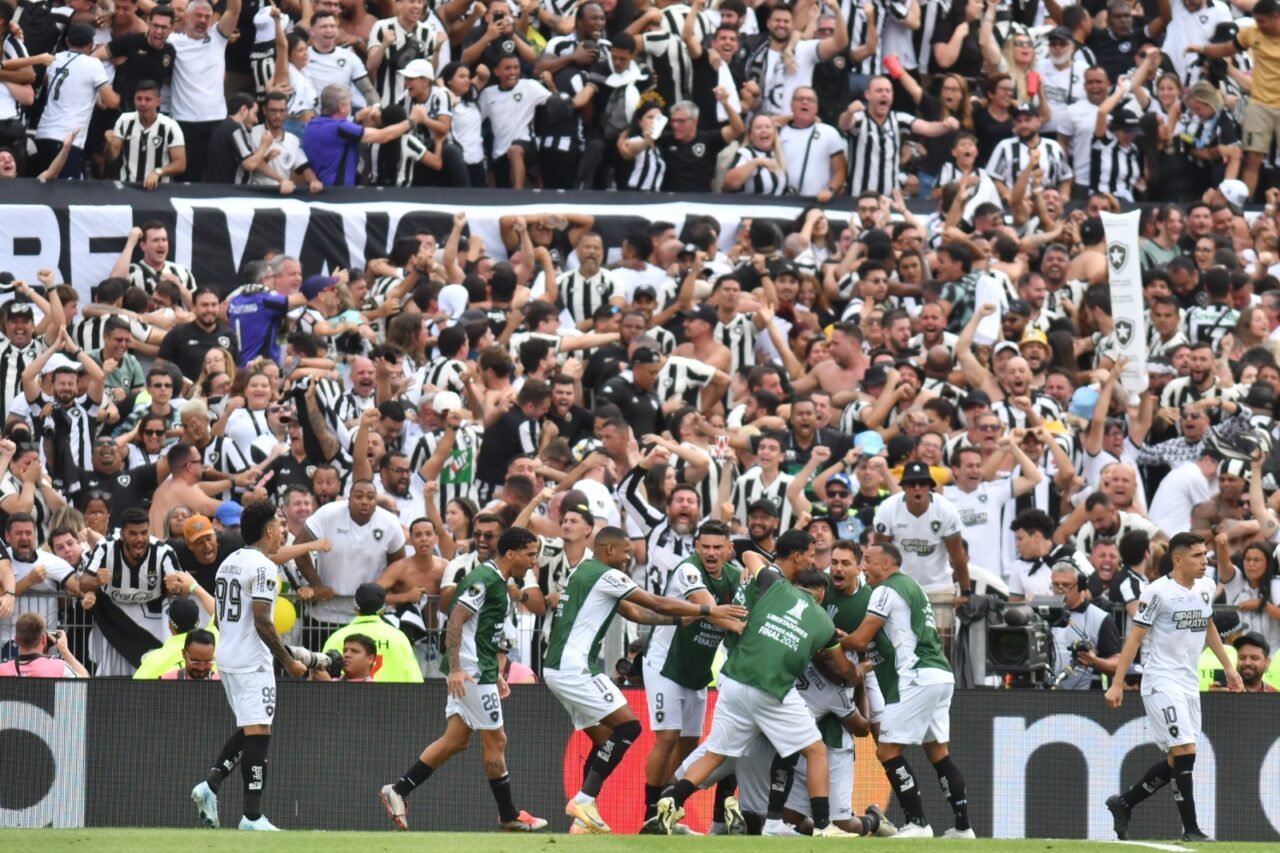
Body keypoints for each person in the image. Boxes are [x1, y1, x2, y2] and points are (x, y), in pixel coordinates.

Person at [543, 525, 744, 834]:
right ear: (609, 550)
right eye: (626, 553)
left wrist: (680, 619)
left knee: (602, 741)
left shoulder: (586, 572)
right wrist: (707, 610)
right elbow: (655, 602)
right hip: (576, 668)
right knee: (630, 727)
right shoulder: (609, 575)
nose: (629, 559)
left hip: (558, 669)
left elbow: (638, 615)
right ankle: (585, 800)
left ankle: (580, 820)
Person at [653, 564, 865, 837]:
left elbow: (750, 554)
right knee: (815, 752)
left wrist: (747, 571)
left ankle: (672, 800)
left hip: (733, 682)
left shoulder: (774, 586)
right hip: (771, 688)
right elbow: (845, 671)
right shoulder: (824, 622)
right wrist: (862, 671)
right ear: (821, 595)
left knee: (716, 753)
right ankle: (824, 826)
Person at [379, 527, 547, 832]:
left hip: (478, 670)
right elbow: (456, 619)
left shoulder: (497, 580)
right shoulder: (484, 579)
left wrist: (494, 672)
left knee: (455, 740)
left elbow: (480, 633)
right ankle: (509, 816)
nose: (534, 562)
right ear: (511, 554)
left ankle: (398, 791)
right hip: (469, 673)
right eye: (530, 555)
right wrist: (457, 668)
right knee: (497, 739)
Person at [1104, 532, 1243, 843]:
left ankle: (1125, 803)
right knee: (1185, 750)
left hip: (1188, 683)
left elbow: (1208, 627)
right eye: (1197, 556)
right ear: (1178, 559)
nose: (1204, 561)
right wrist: (1117, 683)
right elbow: (1134, 639)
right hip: (1160, 680)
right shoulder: (1156, 593)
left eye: (1205, 555)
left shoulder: (1206, 587)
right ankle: (1191, 829)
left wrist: (1229, 667)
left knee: (1178, 760)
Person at [190, 501, 308, 832]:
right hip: (252, 661)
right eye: (281, 526)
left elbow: (223, 614)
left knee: (250, 727)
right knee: (259, 732)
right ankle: (252, 817)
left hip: (227, 656)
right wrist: (288, 661)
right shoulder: (263, 567)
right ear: (269, 530)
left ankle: (210, 785)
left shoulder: (231, 561)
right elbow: (262, 622)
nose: (284, 531)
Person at [843, 542, 971, 839]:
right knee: (939, 752)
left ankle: (917, 823)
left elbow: (861, 640)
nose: (863, 567)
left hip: (915, 677)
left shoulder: (885, 591)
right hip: (940, 674)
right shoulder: (913, 587)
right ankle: (963, 828)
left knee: (887, 750)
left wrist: (833, 640)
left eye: (868, 561)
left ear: (887, 565)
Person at [320, 582, 424, 683]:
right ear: (382, 610)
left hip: (350, 699)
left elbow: (324, 676)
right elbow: (415, 680)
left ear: (355, 608)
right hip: (391, 699)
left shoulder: (337, 637)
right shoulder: (399, 638)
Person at [0, 612, 89, 677]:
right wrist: (64, 650)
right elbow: (85, 680)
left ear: (16, 640)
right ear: (43, 639)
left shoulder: (2, 670)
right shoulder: (58, 668)